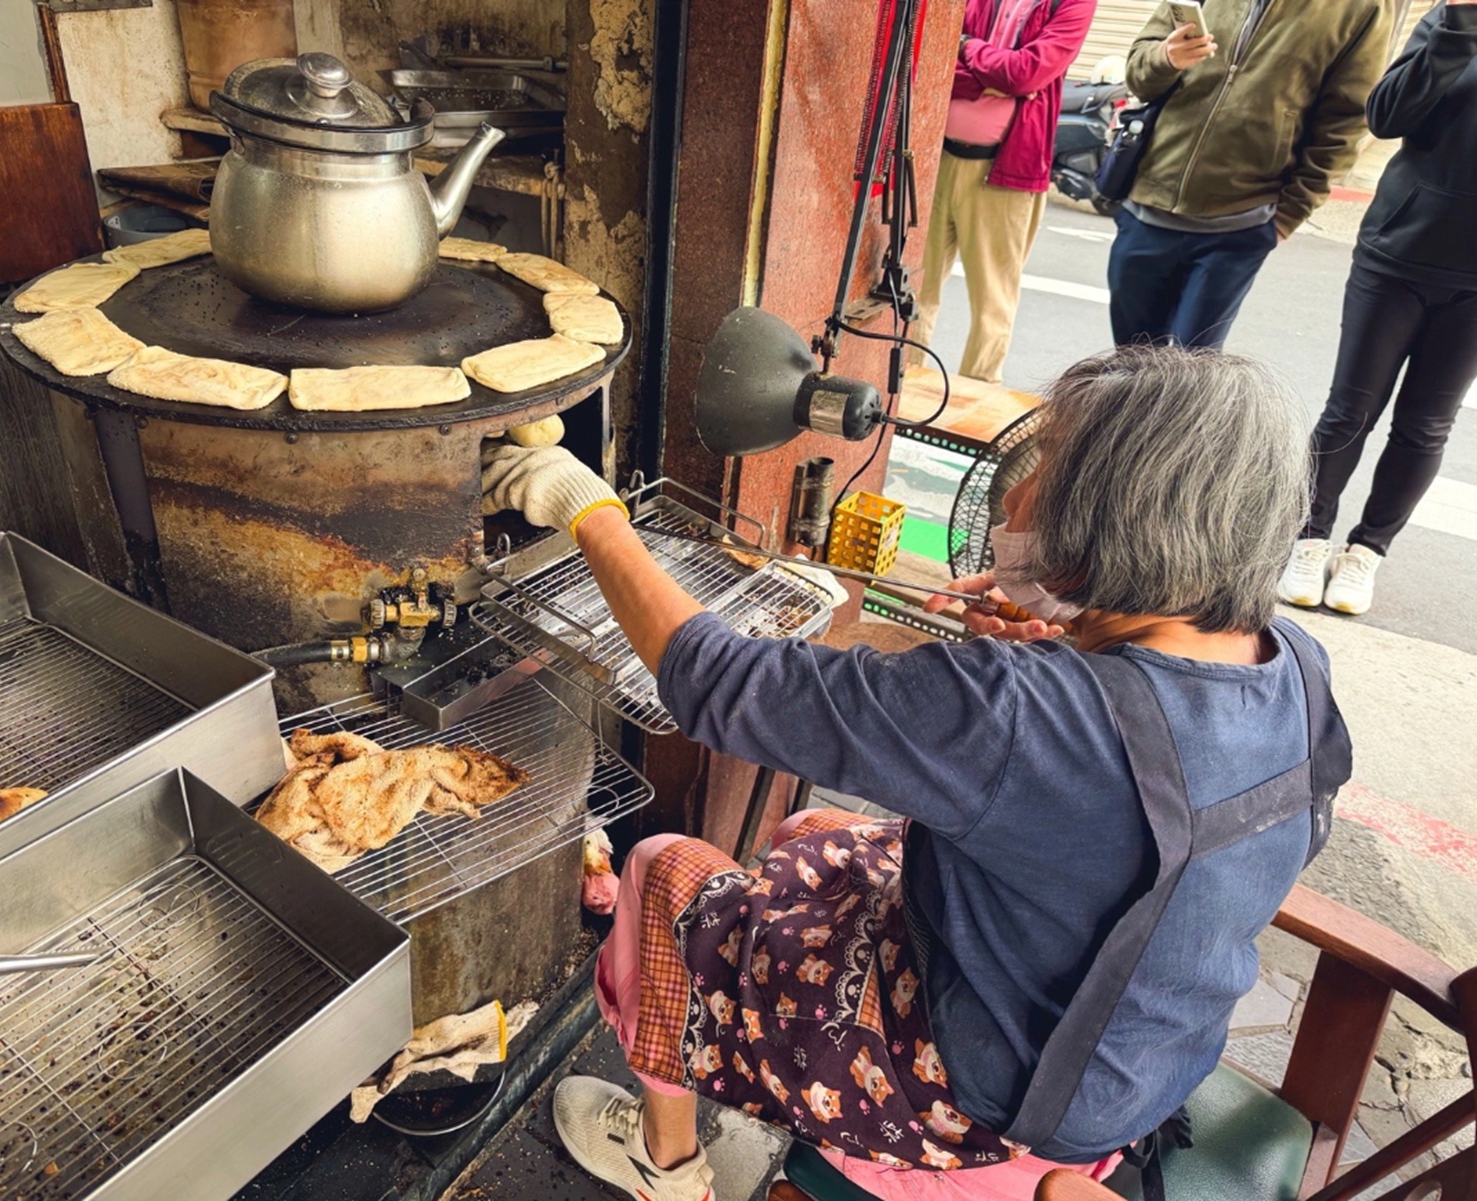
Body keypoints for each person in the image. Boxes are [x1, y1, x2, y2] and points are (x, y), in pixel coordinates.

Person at [480, 345, 1351, 1201]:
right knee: (809, 833)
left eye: (1043, 465)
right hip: (1134, 1070)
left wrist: (589, 509)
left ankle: (664, 1165)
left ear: (1112, 512)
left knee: (665, 871)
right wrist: (1080, 642)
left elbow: (717, 681)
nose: (1015, 493)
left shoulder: (1020, 709)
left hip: (964, 1105)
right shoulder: (1295, 666)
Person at [1280, 0, 1477, 617]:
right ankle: (1308, 539)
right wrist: (1458, 25)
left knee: (1426, 425)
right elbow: (1388, 116)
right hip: (1397, 254)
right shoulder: (1449, 23)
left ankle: (1367, 552)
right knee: (1350, 410)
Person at [1107, 0, 1389, 349]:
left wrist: (1289, 215)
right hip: (1148, 205)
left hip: (1240, 221)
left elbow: (1344, 121)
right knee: (1130, 361)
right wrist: (1165, 59)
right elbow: (1138, 69)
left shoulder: (1362, 7)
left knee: (1195, 373)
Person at [910, 0, 1097, 384]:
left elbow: (1027, 74)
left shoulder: (1074, 3)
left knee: (992, 304)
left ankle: (973, 401)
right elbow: (934, 59)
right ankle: (899, 388)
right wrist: (993, 75)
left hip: (1006, 172)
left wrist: (969, 48)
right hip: (936, 158)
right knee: (914, 289)